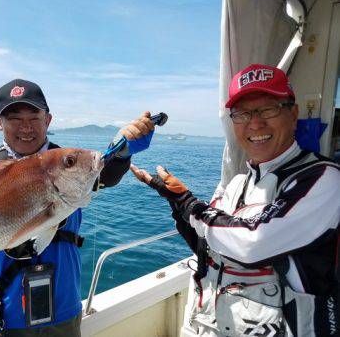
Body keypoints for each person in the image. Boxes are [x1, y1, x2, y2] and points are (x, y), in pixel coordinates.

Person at [0, 78, 156, 336]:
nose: (25, 127)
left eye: (34, 116)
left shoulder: (66, 163)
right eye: (14, 118)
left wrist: (122, 152)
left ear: (48, 120)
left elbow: (105, 175)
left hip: (63, 309)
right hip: (2, 316)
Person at [131, 64, 340, 336]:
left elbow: (253, 243)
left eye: (268, 109)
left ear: (294, 113)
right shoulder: (237, 183)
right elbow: (208, 246)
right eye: (242, 113)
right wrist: (175, 201)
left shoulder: (323, 179)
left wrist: (189, 204)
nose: (254, 123)